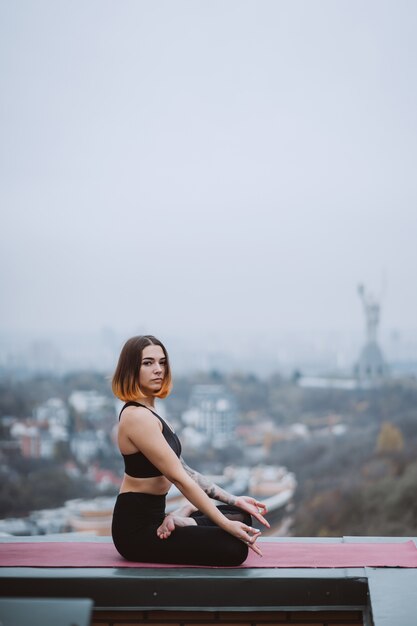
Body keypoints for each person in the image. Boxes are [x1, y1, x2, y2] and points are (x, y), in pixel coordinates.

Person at [111, 335, 269, 566]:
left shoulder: (153, 413)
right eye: (148, 363)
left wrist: (235, 500)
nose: (158, 369)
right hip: (136, 531)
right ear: (130, 368)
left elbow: (186, 470)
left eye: (162, 362)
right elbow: (179, 478)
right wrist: (226, 526)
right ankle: (181, 519)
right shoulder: (135, 417)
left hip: (157, 517)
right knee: (234, 547)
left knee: (240, 515)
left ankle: (180, 519)